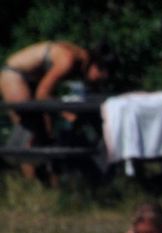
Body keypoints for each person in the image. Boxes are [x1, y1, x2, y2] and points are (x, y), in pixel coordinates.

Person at [1, 41, 113, 179]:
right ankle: (30, 185)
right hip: (15, 75)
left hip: (33, 79)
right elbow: (42, 94)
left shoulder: (80, 60)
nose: (97, 81)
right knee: (29, 130)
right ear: (96, 66)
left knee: (44, 136)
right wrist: (67, 114)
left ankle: (48, 183)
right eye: (99, 76)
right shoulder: (68, 60)